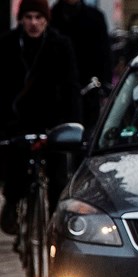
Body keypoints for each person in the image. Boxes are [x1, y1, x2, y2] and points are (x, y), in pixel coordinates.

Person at [0, 0, 81, 235]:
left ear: (46, 20)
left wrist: (73, 125)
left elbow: (71, 87)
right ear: (21, 19)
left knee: (57, 176)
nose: (33, 23)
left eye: (38, 18)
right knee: (15, 167)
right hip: (17, 121)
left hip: (52, 120)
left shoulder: (60, 45)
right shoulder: (8, 45)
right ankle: (12, 204)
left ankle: (56, 225)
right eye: (29, 17)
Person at [49, 0, 112, 130]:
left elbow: (105, 55)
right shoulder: (51, 16)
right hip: (57, 95)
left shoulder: (95, 17)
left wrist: (103, 84)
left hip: (88, 91)